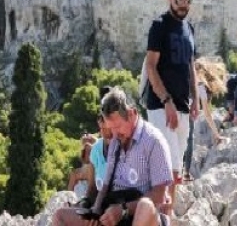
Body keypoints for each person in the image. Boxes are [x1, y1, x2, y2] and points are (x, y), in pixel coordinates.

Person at [53, 88, 173, 226]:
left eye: (118, 126)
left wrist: (124, 209)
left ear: (132, 113)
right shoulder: (116, 141)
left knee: (145, 206)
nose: (114, 134)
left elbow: (159, 196)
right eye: (111, 128)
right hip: (113, 211)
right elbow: (105, 186)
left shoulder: (153, 141)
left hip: (143, 216)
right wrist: (95, 211)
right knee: (60, 216)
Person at [143, 0, 199, 209]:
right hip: (161, 106)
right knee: (167, 169)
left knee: (175, 173)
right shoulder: (159, 26)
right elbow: (151, 65)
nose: (183, 5)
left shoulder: (190, 28)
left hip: (183, 106)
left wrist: (195, 99)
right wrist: (166, 101)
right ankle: (156, 217)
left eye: (187, 0)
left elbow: (190, 66)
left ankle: (166, 218)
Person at [182, 60, 226, 181]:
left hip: (175, 109)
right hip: (186, 113)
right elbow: (207, 113)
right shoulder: (200, 85)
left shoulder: (185, 76)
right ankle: (185, 173)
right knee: (189, 139)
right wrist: (217, 134)